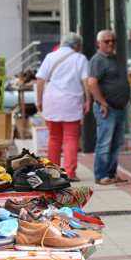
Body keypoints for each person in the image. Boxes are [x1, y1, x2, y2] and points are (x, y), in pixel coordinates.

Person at [34, 32, 90, 181]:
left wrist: (39, 99)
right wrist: (88, 100)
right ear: (77, 46)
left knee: (53, 138)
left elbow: (40, 80)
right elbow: (86, 81)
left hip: (51, 102)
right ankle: (70, 173)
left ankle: (53, 173)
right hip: (72, 102)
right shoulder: (80, 58)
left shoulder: (50, 57)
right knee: (71, 138)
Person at [88, 30, 131, 186]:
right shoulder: (97, 60)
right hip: (106, 108)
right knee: (105, 143)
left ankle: (111, 173)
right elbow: (92, 83)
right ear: (99, 43)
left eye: (113, 40)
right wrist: (103, 103)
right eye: (107, 41)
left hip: (118, 108)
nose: (111, 43)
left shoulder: (113, 59)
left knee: (117, 143)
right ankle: (101, 175)